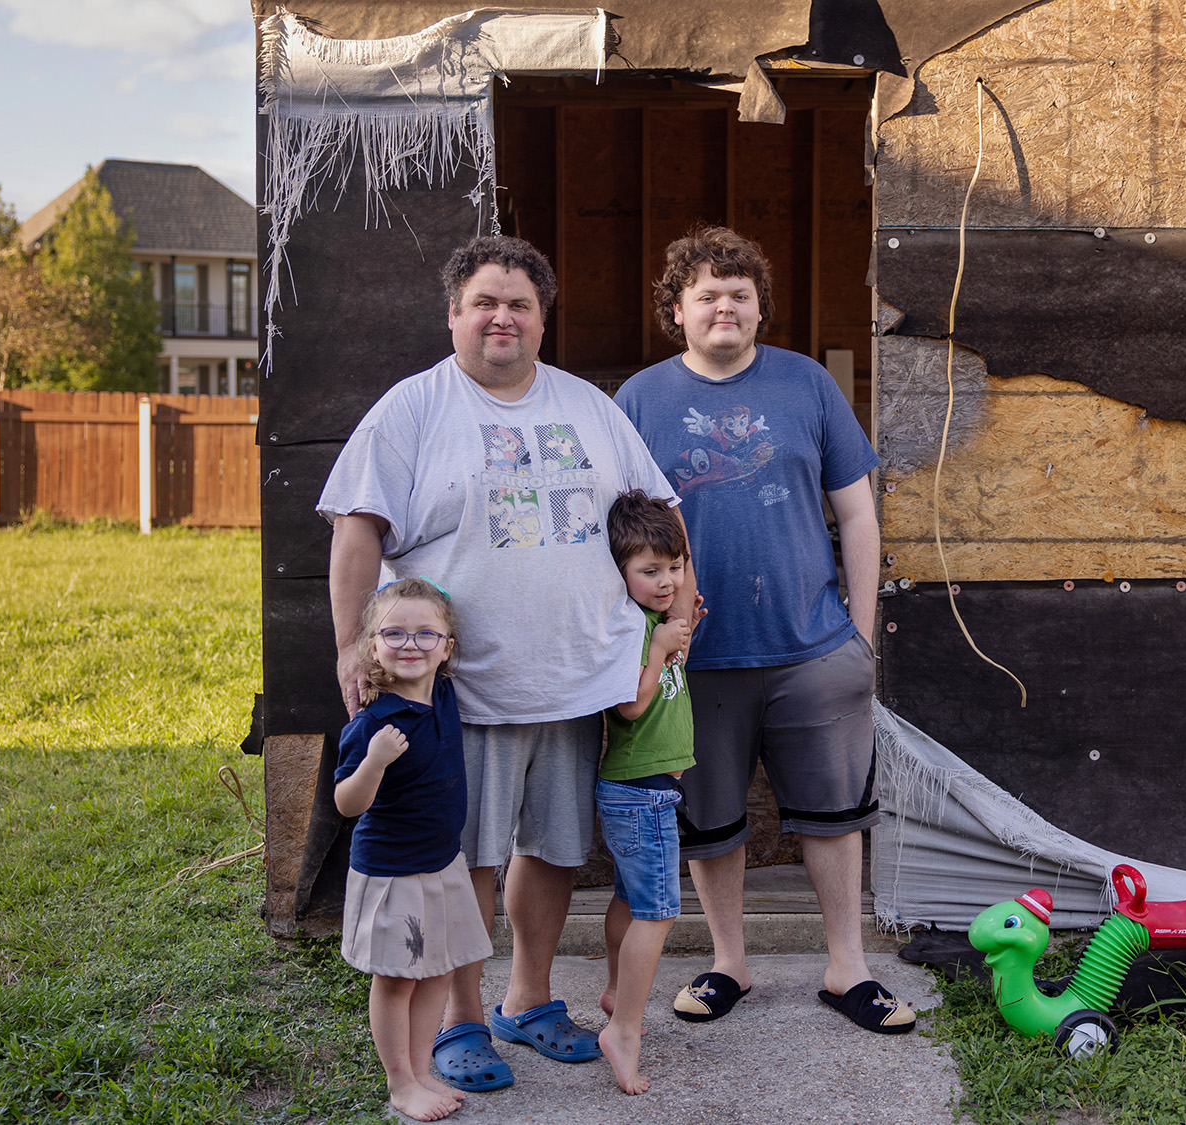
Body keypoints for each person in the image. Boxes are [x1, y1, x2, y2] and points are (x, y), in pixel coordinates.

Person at [319, 236, 682, 1092]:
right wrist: (349, 644)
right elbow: (356, 529)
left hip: (573, 676)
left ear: (543, 319)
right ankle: (461, 1018)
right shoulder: (412, 410)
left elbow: (658, 506)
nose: (501, 317)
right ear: (453, 313)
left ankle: (527, 996)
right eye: (484, 301)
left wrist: (676, 614)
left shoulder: (588, 408)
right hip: (460, 690)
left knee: (554, 850)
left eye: (520, 304)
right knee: (467, 859)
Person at [614, 226, 915, 1034]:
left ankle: (847, 967)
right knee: (709, 818)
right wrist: (645, 641)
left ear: (759, 309)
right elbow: (613, 535)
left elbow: (856, 514)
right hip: (695, 656)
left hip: (812, 648)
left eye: (739, 294)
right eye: (707, 294)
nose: (724, 306)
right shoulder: (637, 400)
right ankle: (728, 962)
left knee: (834, 812)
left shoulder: (807, 385)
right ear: (676, 308)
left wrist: (861, 633)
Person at [331, 578, 490, 1122]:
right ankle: (400, 1083)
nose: (411, 644)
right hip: (393, 873)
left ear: (448, 647)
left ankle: (421, 1069)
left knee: (439, 970)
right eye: (394, 632)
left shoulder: (443, 694)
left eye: (427, 634)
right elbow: (347, 804)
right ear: (371, 646)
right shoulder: (373, 724)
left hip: (442, 865)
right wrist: (374, 761)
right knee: (397, 978)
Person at [594, 490, 698, 1094]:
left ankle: (614, 990)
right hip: (643, 794)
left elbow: (676, 604)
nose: (667, 581)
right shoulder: (629, 631)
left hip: (642, 791)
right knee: (657, 913)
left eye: (675, 567)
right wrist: (659, 648)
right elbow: (631, 707)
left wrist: (672, 627)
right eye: (650, 571)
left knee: (631, 901)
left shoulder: (654, 621)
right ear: (620, 573)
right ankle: (624, 1030)